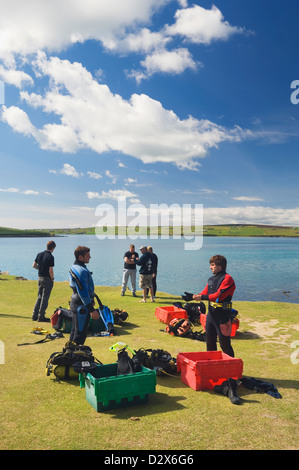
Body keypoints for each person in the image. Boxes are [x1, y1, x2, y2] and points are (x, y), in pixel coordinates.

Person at [193, 255, 236, 357]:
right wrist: (196, 296)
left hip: (222, 317)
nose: (210, 267)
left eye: (212, 265)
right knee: (210, 342)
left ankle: (231, 368)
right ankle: (212, 367)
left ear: (220, 266)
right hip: (211, 316)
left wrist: (202, 297)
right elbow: (205, 291)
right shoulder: (211, 279)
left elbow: (218, 296)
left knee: (224, 344)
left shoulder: (228, 279)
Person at [68, 246, 99, 345]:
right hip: (80, 305)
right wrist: (91, 310)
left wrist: (91, 299)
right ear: (80, 257)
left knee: (75, 331)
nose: (90, 257)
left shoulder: (75, 266)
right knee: (80, 334)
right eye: (87, 255)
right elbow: (82, 292)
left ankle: (70, 354)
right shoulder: (81, 271)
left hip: (76, 302)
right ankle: (75, 357)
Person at [32, 240, 56, 322]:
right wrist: (52, 279)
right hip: (47, 279)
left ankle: (34, 315)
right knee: (45, 298)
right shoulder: (51, 257)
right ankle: (41, 316)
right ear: (53, 248)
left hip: (40, 277)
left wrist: (40, 269)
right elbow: (50, 270)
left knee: (39, 296)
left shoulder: (39, 254)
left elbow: (34, 265)